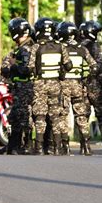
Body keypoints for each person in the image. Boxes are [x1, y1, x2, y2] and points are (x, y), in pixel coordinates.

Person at [28, 17, 72, 155]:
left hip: (40, 84)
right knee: (55, 116)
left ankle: (39, 147)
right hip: (55, 84)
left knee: (40, 115)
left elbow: (30, 67)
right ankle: (58, 148)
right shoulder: (61, 46)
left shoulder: (36, 47)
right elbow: (69, 66)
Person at [57, 21, 98, 155]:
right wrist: (86, 78)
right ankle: (86, 146)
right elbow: (94, 66)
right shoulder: (82, 49)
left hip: (63, 85)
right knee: (81, 115)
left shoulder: (60, 48)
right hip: (78, 85)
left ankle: (65, 146)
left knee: (63, 114)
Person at [0, 17, 34, 155]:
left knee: (22, 116)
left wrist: (13, 65)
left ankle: (23, 145)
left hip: (25, 86)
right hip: (19, 86)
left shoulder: (26, 49)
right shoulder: (20, 48)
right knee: (15, 116)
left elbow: (26, 69)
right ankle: (12, 145)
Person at [79, 20, 102, 155]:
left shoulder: (77, 47)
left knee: (82, 116)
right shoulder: (93, 46)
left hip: (81, 85)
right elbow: (99, 68)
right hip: (95, 85)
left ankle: (84, 145)